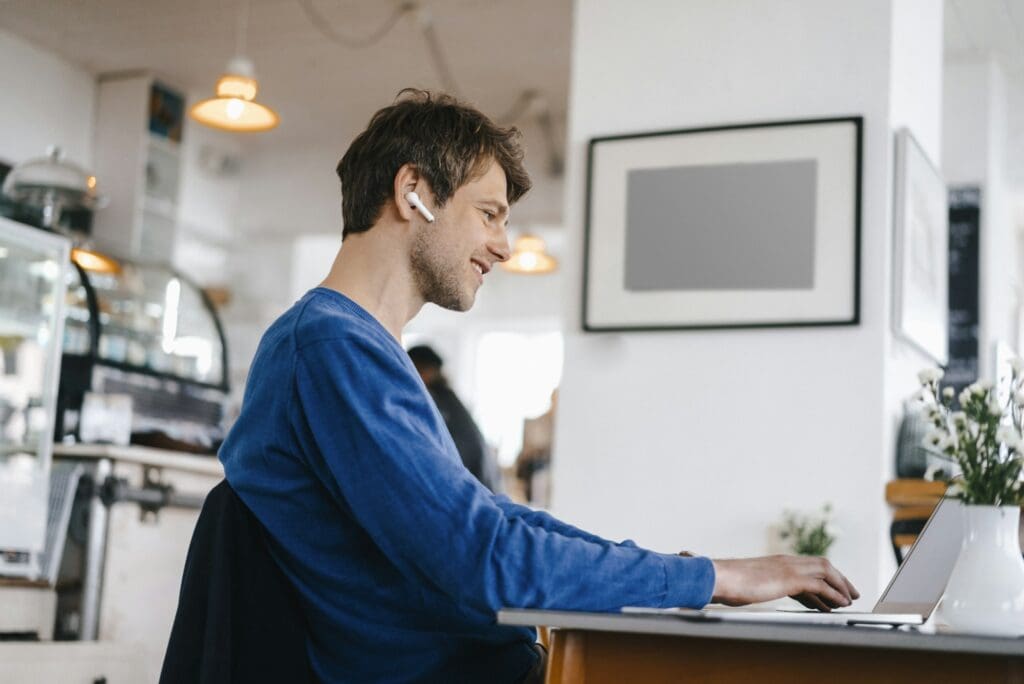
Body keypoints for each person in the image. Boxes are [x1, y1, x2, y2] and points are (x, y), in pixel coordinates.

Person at [218, 89, 859, 683]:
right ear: (413, 191)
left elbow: (493, 519)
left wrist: (691, 574)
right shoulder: (332, 347)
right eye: (489, 214)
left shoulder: (360, 349)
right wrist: (713, 579)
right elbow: (486, 558)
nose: (502, 246)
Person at [407, 344, 500, 492]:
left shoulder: (436, 402)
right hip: (484, 488)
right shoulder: (450, 400)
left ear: (425, 371)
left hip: (475, 491)